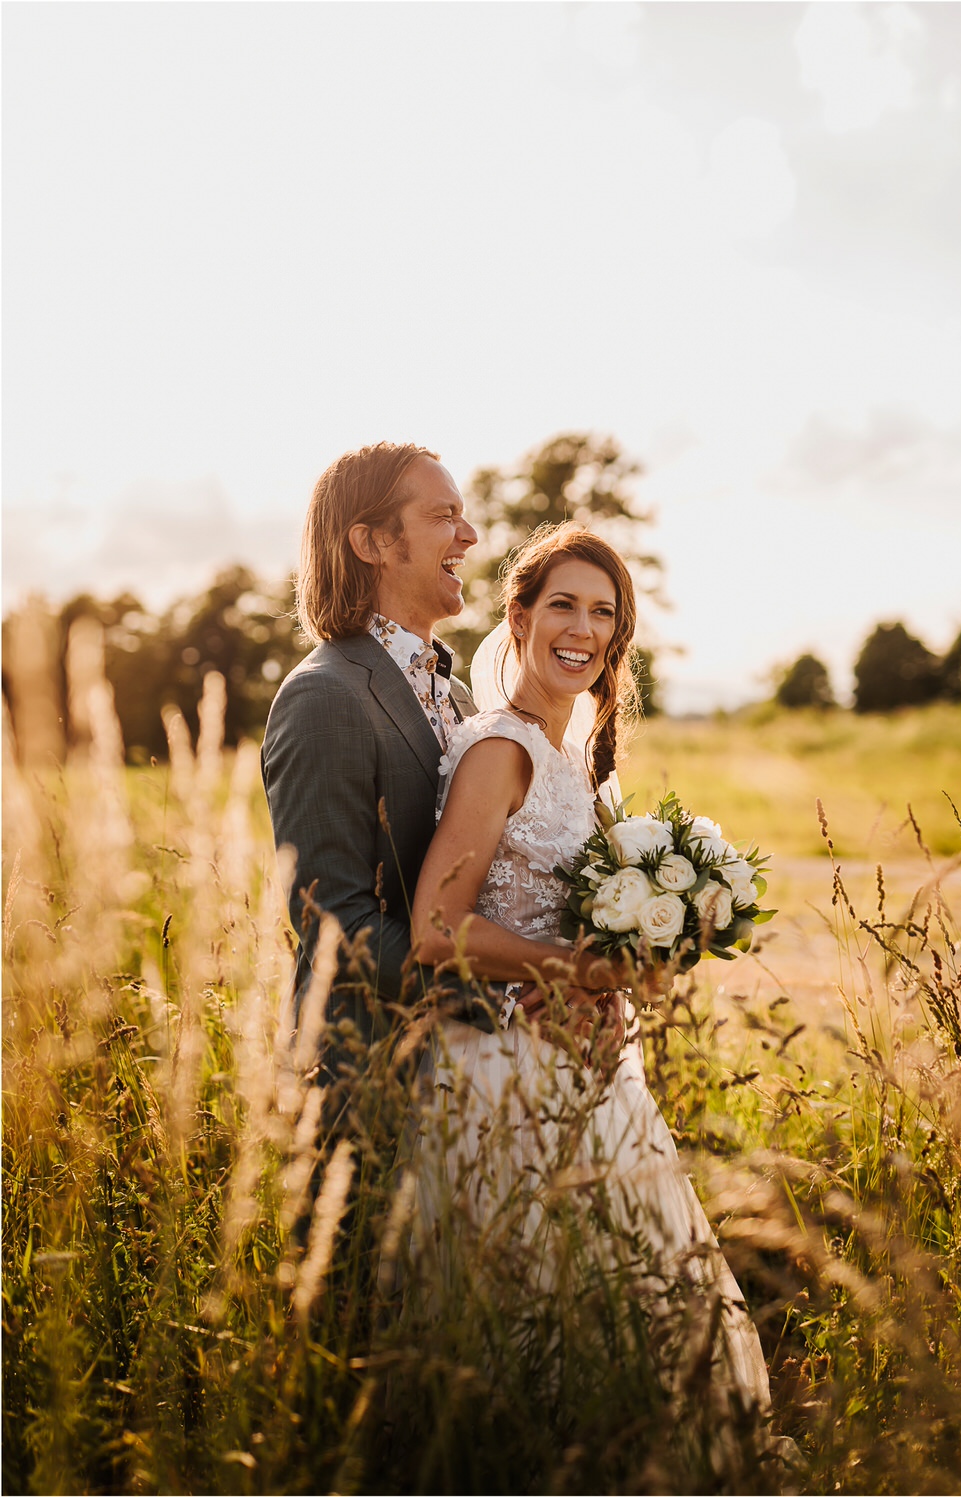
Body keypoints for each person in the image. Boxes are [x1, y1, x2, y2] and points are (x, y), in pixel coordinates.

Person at [407, 522, 779, 1452]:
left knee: (617, 1293)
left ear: (618, 637)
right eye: (561, 604)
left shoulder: (577, 759)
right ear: (519, 617)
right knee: (536, 1302)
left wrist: (635, 963)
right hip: (508, 1069)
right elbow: (434, 929)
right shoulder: (501, 749)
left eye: (602, 612)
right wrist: (586, 971)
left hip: (589, 1066)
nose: (581, 627)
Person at [261, 443, 618, 1098]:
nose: (470, 534)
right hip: (370, 1078)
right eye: (443, 515)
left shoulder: (458, 699)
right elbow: (335, 923)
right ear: (370, 540)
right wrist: (512, 996)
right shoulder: (325, 697)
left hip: (481, 1081)